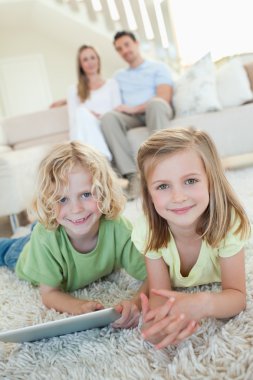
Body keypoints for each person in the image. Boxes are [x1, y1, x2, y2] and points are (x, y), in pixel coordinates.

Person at [0, 141, 147, 329]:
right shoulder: (46, 238)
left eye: (86, 194)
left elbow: (153, 275)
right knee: (14, 245)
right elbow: (49, 293)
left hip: (58, 226)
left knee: (56, 221)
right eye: (62, 199)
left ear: (104, 192)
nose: (76, 209)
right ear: (48, 202)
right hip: (21, 251)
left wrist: (136, 304)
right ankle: (38, 225)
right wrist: (78, 306)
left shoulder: (119, 227)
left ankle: (44, 220)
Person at [131, 127, 251, 348]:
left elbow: (237, 297)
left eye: (190, 181)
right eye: (163, 186)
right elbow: (160, 292)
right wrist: (159, 320)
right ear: (149, 193)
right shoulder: (146, 230)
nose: (178, 197)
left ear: (210, 180)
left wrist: (204, 303)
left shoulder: (229, 223)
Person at [100, 31, 174, 199]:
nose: (124, 50)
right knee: (108, 118)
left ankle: (160, 166)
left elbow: (164, 96)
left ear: (136, 43)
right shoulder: (118, 76)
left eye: (127, 45)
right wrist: (67, 100)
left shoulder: (158, 67)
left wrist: (136, 108)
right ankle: (133, 177)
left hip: (156, 110)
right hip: (131, 117)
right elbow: (98, 92)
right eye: (119, 49)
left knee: (155, 104)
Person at [51, 45, 121, 161]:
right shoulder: (73, 90)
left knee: (82, 111)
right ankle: (96, 158)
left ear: (98, 59)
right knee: (81, 112)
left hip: (107, 123)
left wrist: (98, 115)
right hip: (85, 128)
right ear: (80, 65)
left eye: (92, 57)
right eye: (85, 59)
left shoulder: (112, 84)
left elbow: (117, 110)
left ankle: (93, 159)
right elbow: (73, 120)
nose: (90, 62)